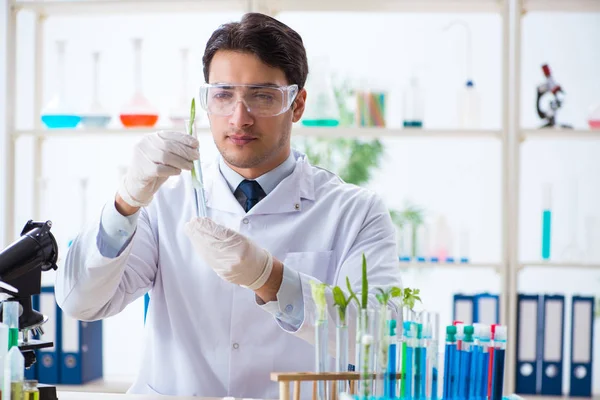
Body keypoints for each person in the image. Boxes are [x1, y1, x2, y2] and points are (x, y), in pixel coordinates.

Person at [55, 12, 401, 398]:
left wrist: (271, 279)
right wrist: (125, 202)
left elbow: (380, 341)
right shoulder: (164, 200)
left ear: (297, 104)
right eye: (223, 95)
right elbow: (80, 302)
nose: (240, 118)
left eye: (262, 96)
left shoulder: (356, 213)